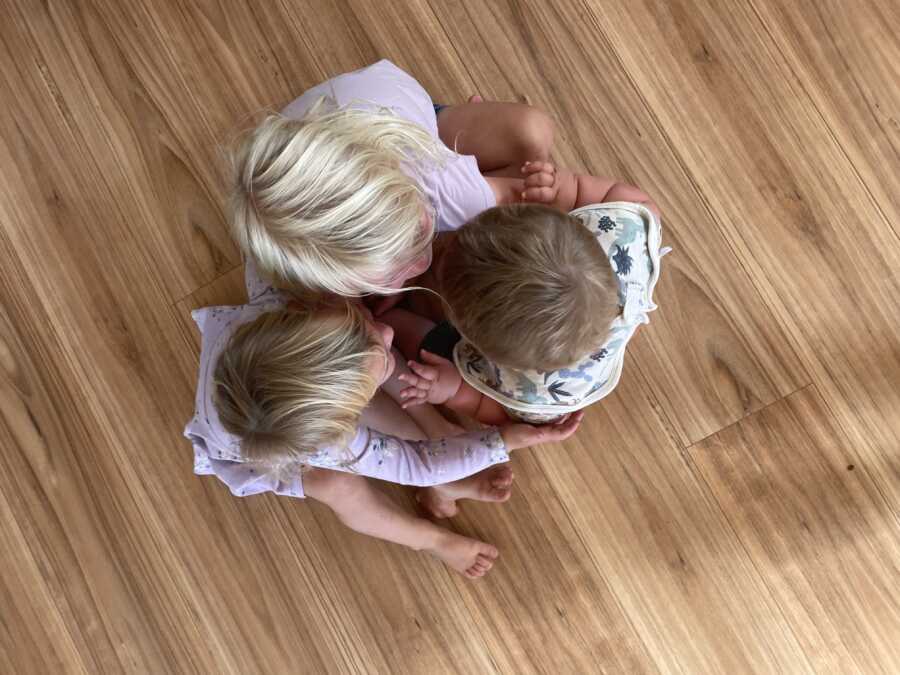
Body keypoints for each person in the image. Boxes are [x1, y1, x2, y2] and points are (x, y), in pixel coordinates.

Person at [184, 269, 583, 578]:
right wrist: (505, 439)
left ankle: (439, 437)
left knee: (377, 357)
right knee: (339, 487)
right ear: (344, 424)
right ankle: (432, 539)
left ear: (299, 314)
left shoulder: (282, 294)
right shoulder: (328, 442)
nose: (391, 329)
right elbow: (416, 465)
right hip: (272, 444)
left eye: (360, 325)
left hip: (282, 380)